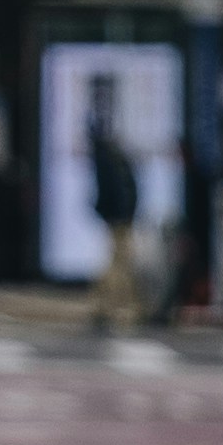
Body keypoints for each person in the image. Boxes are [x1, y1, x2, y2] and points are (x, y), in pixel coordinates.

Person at [82, 93, 140, 333]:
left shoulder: (104, 155)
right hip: (120, 217)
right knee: (120, 262)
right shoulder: (109, 156)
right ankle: (117, 307)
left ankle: (104, 305)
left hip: (118, 215)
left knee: (116, 261)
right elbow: (118, 189)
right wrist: (124, 212)